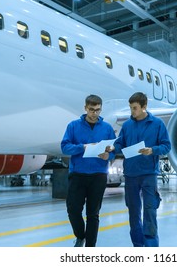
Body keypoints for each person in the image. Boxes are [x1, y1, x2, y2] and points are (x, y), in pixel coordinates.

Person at [113, 92, 171, 247]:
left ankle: (151, 246)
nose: (132, 111)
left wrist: (152, 150)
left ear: (144, 107)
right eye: (131, 108)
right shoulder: (127, 125)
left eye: (135, 108)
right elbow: (120, 144)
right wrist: (112, 147)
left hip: (148, 174)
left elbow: (167, 146)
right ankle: (138, 245)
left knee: (150, 210)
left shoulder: (157, 124)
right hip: (130, 174)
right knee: (133, 212)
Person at [61, 94, 116, 247]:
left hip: (98, 175)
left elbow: (113, 149)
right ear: (85, 108)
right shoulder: (73, 126)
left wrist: (108, 155)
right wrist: (82, 147)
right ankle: (80, 236)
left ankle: (90, 246)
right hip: (78, 174)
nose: (95, 114)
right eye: (92, 110)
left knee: (93, 214)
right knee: (73, 210)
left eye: (98, 110)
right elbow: (64, 147)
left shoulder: (107, 128)